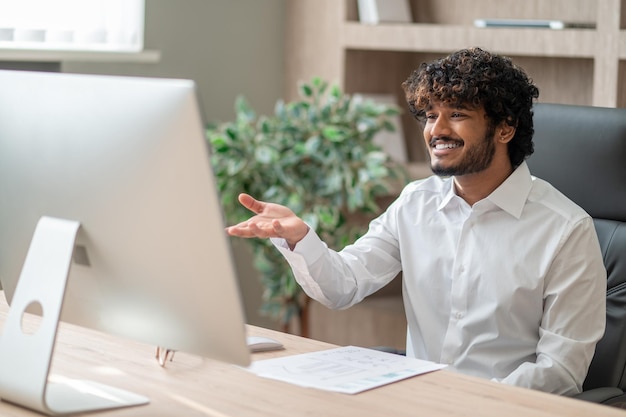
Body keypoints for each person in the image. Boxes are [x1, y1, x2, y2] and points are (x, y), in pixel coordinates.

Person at [226, 47, 606, 396]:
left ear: (505, 128)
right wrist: (299, 238)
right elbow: (344, 285)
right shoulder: (416, 203)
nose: (436, 131)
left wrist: (468, 403)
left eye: (457, 114)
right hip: (417, 400)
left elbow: (560, 372)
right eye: (430, 115)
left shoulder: (566, 230)